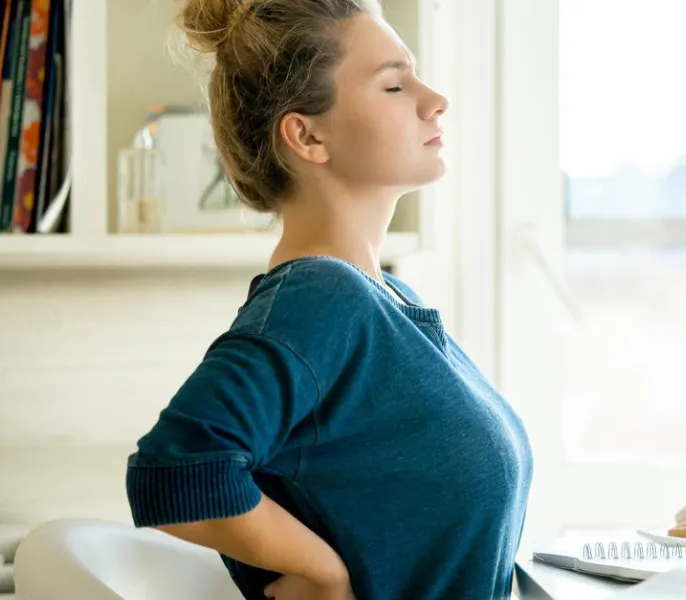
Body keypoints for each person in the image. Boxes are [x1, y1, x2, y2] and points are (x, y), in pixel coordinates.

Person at [123, 1, 533, 599]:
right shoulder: (322, 298)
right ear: (308, 135)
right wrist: (322, 571)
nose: (434, 98)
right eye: (394, 84)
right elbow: (175, 470)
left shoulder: (384, 298)